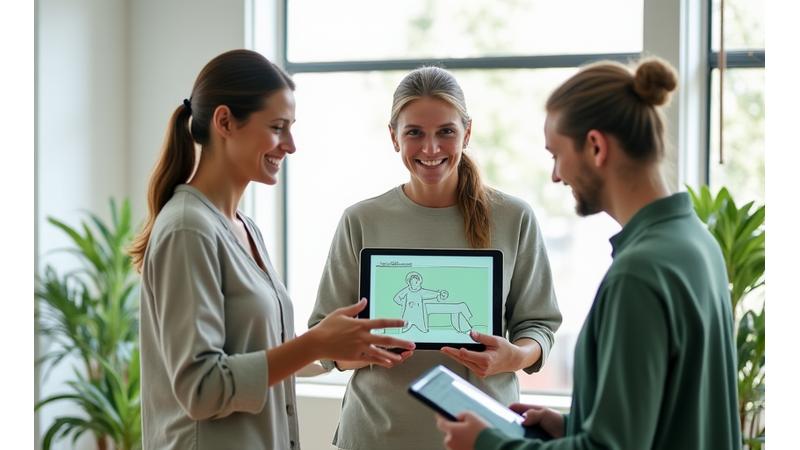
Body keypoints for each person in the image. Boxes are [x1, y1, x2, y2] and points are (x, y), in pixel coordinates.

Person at [435, 57, 741, 449]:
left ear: (595, 146)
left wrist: (488, 444)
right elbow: (669, 411)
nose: (556, 175)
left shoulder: (640, 272)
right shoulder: (695, 241)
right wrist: (572, 424)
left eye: (556, 154)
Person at [129, 49, 414, 450]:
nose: (291, 145)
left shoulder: (244, 228)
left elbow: (258, 353)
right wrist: (315, 343)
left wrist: (342, 346)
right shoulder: (188, 229)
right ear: (225, 121)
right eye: (278, 127)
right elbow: (201, 388)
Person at [308, 66, 562, 450]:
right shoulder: (361, 220)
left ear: (467, 133)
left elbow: (539, 325)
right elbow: (325, 343)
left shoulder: (514, 217)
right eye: (414, 133)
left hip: (485, 436)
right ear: (393, 137)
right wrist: (364, 353)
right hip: (378, 436)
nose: (430, 149)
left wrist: (512, 357)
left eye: (446, 131)